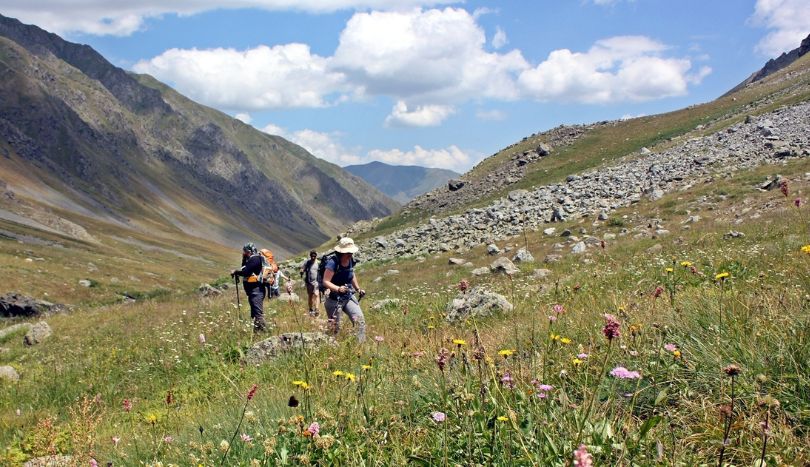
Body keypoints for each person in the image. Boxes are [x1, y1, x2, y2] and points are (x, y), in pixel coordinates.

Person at [322, 237, 366, 342]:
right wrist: (338, 288)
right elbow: (325, 281)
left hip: (348, 296)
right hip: (334, 299)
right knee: (334, 328)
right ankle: (332, 346)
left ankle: (360, 347)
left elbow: (351, 274)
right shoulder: (333, 262)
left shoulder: (350, 260)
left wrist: (358, 289)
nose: (350, 254)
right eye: (348, 252)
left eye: (351, 252)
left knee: (360, 321)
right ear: (341, 252)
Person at [231, 243, 267, 332]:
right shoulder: (253, 259)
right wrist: (244, 259)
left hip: (256, 290)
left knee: (258, 313)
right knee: (254, 313)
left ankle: (265, 332)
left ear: (249, 251)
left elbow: (246, 272)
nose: (244, 253)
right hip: (255, 290)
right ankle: (256, 332)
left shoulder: (254, 259)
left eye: (245, 252)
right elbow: (244, 269)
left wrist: (236, 272)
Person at [300, 250, 319, 316]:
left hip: (316, 282)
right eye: (312, 256)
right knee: (310, 296)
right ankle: (311, 309)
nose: (313, 257)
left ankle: (316, 309)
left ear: (316, 256)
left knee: (316, 295)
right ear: (310, 256)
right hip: (309, 282)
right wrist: (302, 270)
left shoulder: (318, 263)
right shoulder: (307, 262)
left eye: (314, 256)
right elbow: (303, 268)